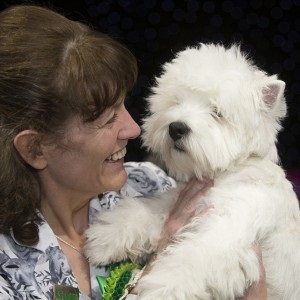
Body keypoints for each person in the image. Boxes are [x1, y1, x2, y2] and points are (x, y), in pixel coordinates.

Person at [0, 4, 266, 300]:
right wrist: (161, 258)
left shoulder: (148, 184)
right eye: (106, 119)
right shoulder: (7, 269)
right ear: (35, 148)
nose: (132, 128)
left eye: (123, 105)